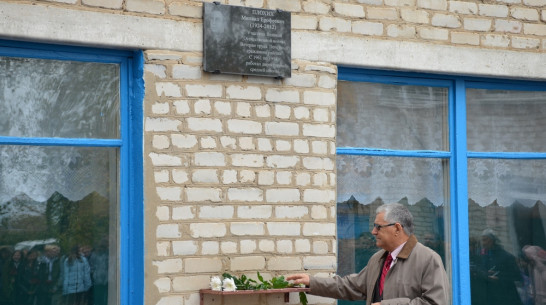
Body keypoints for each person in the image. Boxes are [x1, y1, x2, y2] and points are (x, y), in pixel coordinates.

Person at [287, 203, 449, 305]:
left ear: (397, 228)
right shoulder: (378, 259)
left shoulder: (428, 259)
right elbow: (350, 286)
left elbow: (435, 302)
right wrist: (311, 282)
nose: (373, 231)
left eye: (379, 227)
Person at [470, 229, 524, 305]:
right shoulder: (481, 255)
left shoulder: (506, 257)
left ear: (492, 240)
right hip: (488, 295)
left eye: (485, 240)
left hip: (504, 296)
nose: (483, 243)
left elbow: (517, 276)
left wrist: (499, 277)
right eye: (482, 240)